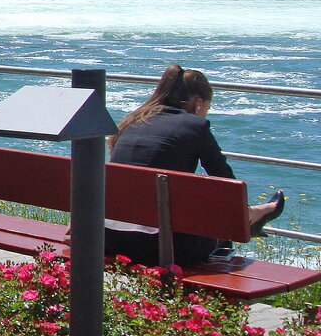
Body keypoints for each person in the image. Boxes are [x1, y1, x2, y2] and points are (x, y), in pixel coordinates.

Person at [105, 64, 285, 266]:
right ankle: (252, 216)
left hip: (110, 239)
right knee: (223, 225)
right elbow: (227, 186)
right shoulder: (195, 126)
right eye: (207, 108)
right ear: (198, 103)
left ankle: (253, 214)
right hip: (162, 247)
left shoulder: (134, 121)